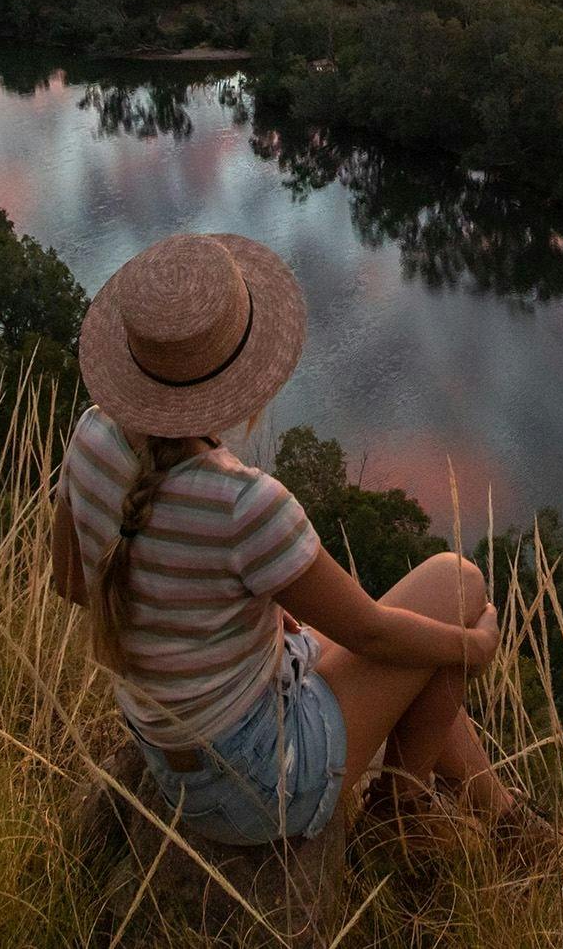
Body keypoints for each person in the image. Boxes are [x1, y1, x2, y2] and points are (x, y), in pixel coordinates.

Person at [49, 230, 532, 848]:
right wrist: (479, 646)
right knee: (458, 588)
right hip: (258, 782)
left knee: (422, 647)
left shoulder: (92, 437)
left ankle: (511, 825)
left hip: (172, 755)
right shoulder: (244, 505)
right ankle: (398, 818)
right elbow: (370, 633)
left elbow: (70, 582)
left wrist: (203, 634)